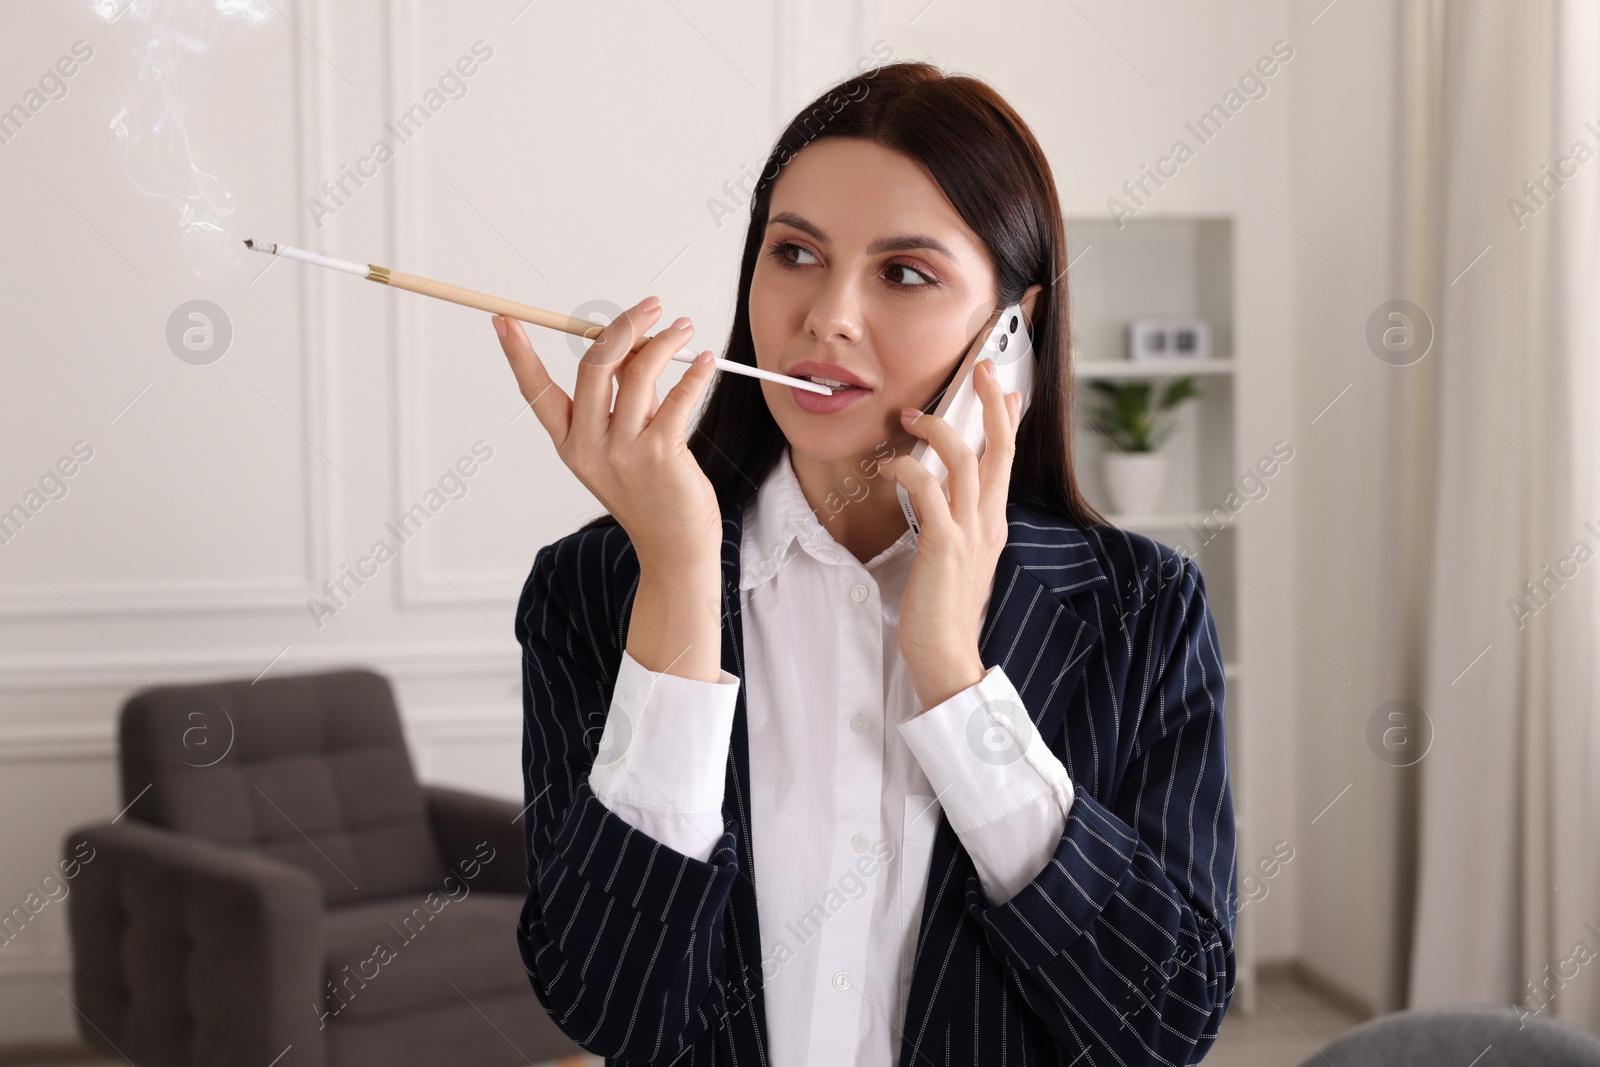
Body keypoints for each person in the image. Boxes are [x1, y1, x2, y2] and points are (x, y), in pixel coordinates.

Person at [496, 59, 1236, 1067]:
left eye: (902, 272)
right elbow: (606, 1006)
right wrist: (674, 584)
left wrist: (952, 676)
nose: (827, 316)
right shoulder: (593, 591)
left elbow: (1164, 1023)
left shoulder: (1140, 607)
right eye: (794, 252)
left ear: (1010, 329)